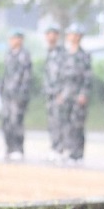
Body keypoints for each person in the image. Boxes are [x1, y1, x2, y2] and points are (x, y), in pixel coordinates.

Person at [59, 26, 93, 164]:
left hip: (78, 95)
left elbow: (87, 77)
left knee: (77, 124)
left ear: (80, 36)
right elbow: (59, 76)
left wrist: (84, 93)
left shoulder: (84, 55)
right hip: (66, 94)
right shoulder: (64, 55)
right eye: (70, 34)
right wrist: (59, 92)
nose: (73, 37)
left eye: (75, 34)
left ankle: (77, 154)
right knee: (66, 124)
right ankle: (68, 151)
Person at [0, 31, 33, 161]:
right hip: (7, 95)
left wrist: (22, 95)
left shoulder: (24, 55)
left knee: (16, 121)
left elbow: (27, 77)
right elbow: (6, 74)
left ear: (20, 40)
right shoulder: (8, 54)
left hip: (18, 95)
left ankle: (18, 149)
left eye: (13, 38)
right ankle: (9, 148)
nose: (11, 41)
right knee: (6, 122)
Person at [43, 26, 65, 159]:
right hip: (50, 93)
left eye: (53, 34)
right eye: (48, 34)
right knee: (52, 122)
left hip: (59, 94)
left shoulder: (62, 53)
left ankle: (60, 149)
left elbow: (65, 74)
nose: (50, 37)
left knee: (59, 121)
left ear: (57, 36)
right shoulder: (48, 52)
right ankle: (54, 147)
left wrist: (62, 92)